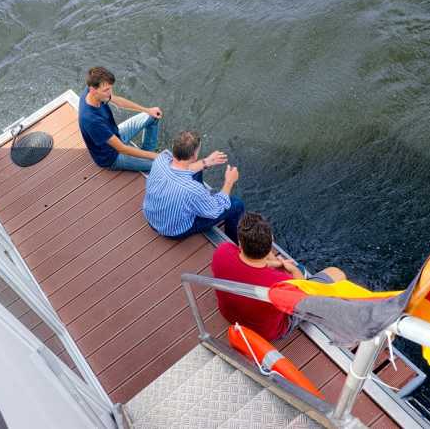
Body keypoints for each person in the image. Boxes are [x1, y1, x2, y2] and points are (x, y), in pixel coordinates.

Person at [211, 212, 346, 341]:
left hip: (229, 315)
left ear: (240, 242)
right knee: (336, 273)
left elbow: (247, 264)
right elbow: (305, 295)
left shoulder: (222, 251)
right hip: (267, 332)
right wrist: (293, 270)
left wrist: (275, 264)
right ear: (271, 243)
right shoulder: (281, 284)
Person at [143, 130, 245, 242]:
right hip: (172, 230)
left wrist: (206, 162)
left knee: (197, 170)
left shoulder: (161, 158)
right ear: (194, 155)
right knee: (236, 204)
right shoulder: (193, 189)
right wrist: (229, 181)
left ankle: (201, 201)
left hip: (150, 216)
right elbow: (216, 210)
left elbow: (182, 168)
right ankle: (233, 241)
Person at [78, 67, 162, 172]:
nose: (110, 93)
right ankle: (148, 159)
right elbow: (122, 148)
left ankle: (146, 152)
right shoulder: (91, 120)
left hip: (115, 135)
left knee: (153, 116)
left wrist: (147, 110)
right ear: (93, 90)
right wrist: (157, 156)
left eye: (110, 88)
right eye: (106, 90)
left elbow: (118, 101)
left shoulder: (95, 92)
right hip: (111, 157)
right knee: (161, 165)